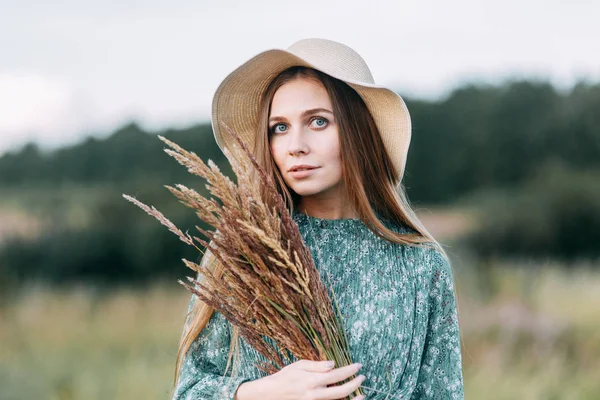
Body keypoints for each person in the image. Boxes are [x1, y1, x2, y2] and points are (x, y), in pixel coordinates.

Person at [171, 38, 464, 400]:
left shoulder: (420, 264)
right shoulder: (244, 250)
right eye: (279, 127)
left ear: (359, 130)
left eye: (318, 121)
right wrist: (267, 393)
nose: (296, 144)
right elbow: (189, 392)